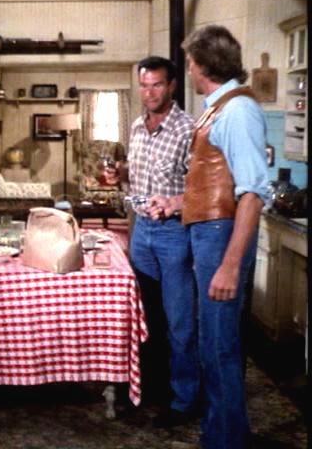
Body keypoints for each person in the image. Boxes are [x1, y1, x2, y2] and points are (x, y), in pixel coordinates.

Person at [153, 25, 269, 448]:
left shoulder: (237, 110)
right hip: (209, 232)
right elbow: (215, 184)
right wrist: (175, 202)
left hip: (221, 237)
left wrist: (230, 265)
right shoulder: (217, 108)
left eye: (189, 62)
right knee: (212, 343)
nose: (188, 69)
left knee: (219, 345)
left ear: (203, 65)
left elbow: (252, 193)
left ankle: (226, 440)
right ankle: (221, 433)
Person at [113, 56, 200, 427]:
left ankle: (184, 400)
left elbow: (204, 189)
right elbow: (137, 182)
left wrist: (172, 204)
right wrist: (122, 178)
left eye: (157, 85)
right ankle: (150, 388)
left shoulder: (188, 130)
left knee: (180, 322)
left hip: (174, 234)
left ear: (173, 86)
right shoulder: (136, 127)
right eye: (144, 85)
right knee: (144, 316)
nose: (149, 93)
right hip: (141, 232)